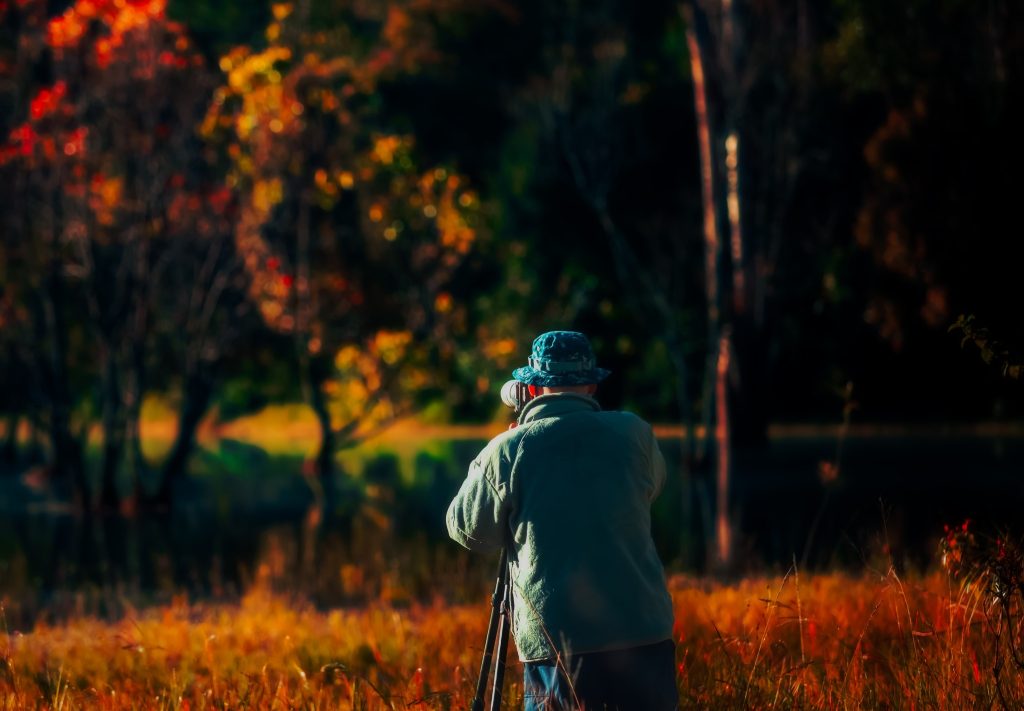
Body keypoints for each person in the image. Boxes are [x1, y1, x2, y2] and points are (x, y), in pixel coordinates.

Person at [447, 330, 678, 710]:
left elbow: (468, 530)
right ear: (590, 383)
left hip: (558, 645)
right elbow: (651, 488)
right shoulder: (634, 432)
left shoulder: (510, 448)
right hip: (644, 635)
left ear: (534, 388)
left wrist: (496, 455)